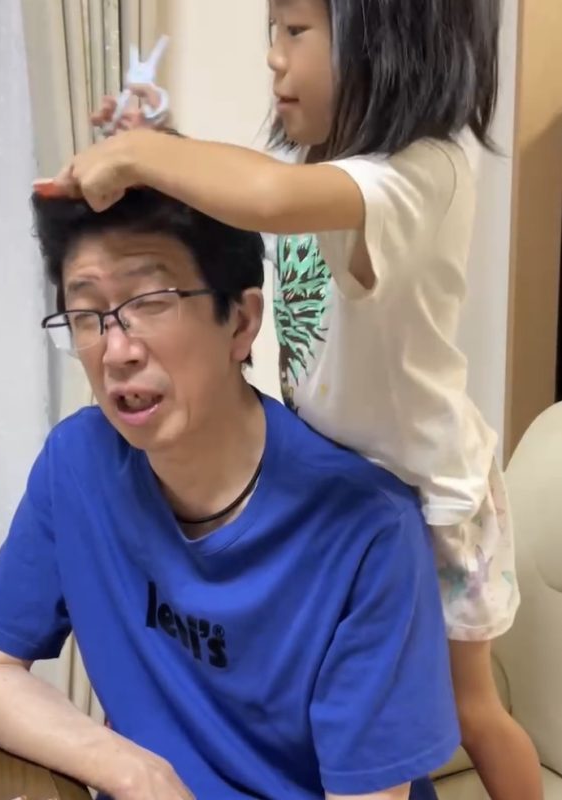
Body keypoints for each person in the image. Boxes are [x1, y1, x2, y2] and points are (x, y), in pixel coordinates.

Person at [48, 1, 543, 798]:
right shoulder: (323, 167)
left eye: (295, 32)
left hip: (432, 498)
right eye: (270, 33)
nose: (274, 57)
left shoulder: (424, 174)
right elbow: (243, 190)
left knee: (470, 708)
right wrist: (156, 148)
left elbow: (268, 197)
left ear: (387, 38)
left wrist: (146, 156)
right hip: (340, 493)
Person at [0, 187, 458, 799]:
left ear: (241, 322)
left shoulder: (369, 530)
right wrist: (131, 769)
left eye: (150, 303)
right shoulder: (77, 465)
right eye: (87, 316)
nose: (116, 351)